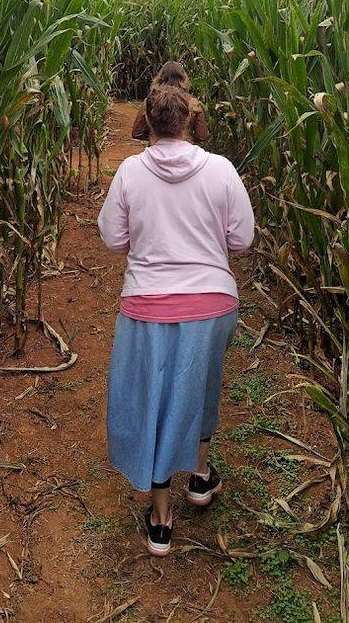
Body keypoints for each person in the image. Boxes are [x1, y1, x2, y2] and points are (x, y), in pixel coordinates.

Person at [98, 83, 254, 557]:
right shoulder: (222, 169)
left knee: (154, 400)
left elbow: (112, 237)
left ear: (148, 120)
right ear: (189, 119)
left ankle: (162, 519)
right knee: (200, 386)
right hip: (212, 304)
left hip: (147, 305)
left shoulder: (129, 171)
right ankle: (201, 479)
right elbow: (241, 239)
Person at [131, 61, 208, 144]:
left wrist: (155, 138)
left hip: (157, 149)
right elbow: (201, 136)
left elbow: (137, 133)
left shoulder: (150, 101)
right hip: (185, 152)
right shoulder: (194, 104)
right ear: (183, 79)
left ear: (160, 77)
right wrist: (187, 140)